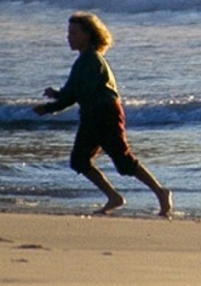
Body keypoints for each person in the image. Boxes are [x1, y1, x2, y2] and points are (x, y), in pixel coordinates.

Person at [33, 13, 173, 217]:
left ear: (88, 35)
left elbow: (77, 94)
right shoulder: (83, 60)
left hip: (105, 113)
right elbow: (73, 91)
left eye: (74, 33)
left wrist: (49, 108)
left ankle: (161, 192)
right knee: (80, 161)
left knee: (123, 161)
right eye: (68, 33)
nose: (68, 37)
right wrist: (56, 95)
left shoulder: (91, 60)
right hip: (92, 114)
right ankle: (114, 197)